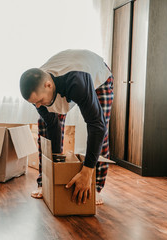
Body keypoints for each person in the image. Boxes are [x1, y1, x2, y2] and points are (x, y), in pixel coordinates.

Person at [19, 49, 113, 205]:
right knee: (45, 127)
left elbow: (97, 126)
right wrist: (55, 168)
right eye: (34, 103)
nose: (38, 106)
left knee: (100, 129)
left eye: (40, 101)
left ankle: (95, 185)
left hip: (98, 77)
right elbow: (53, 126)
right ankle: (45, 180)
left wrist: (87, 170)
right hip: (65, 75)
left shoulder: (77, 83)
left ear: (48, 85)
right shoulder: (38, 92)